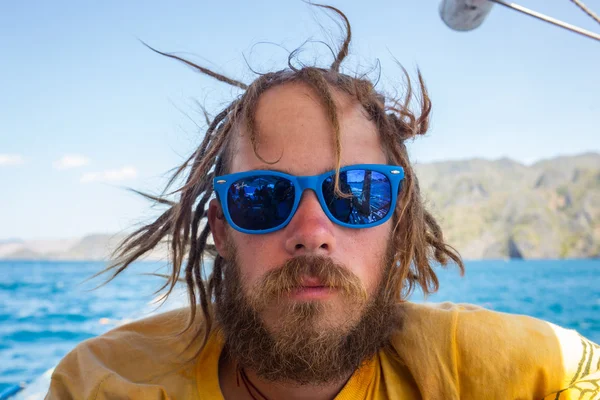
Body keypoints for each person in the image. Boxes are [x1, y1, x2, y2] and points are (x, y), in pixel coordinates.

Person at [46, 6, 599, 400]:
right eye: (262, 197)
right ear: (221, 227)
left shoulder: (490, 368)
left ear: (396, 220)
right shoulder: (98, 384)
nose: (312, 231)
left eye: (354, 193)